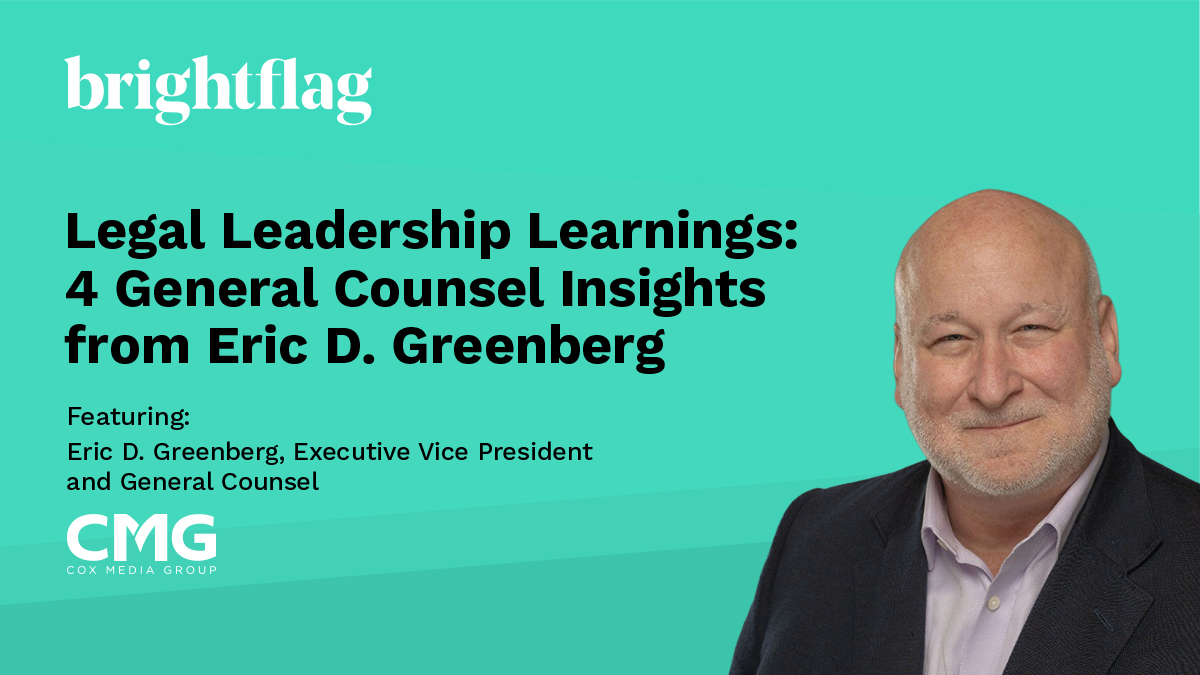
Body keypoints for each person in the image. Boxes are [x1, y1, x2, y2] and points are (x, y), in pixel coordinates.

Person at [730, 190, 1200, 675]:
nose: (993, 388)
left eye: (1031, 329)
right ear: (900, 361)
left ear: (1106, 338)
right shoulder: (814, 541)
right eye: (951, 338)